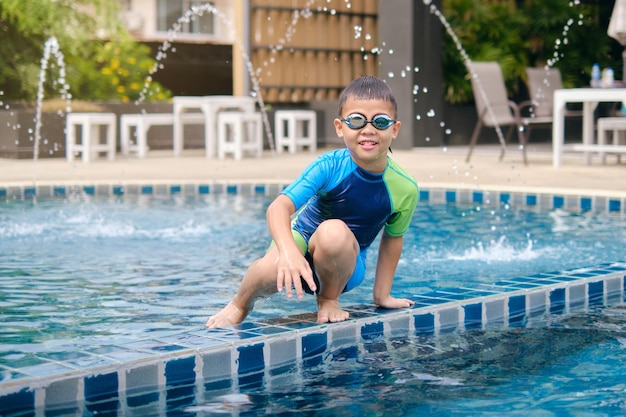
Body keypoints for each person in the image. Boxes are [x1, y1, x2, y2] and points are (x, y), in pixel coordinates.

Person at [206, 75, 419, 328]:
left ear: (394, 129)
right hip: (301, 238)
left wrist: (382, 295)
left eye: (381, 122)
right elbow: (279, 207)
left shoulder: (405, 188)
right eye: (357, 120)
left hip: (343, 263)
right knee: (269, 270)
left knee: (334, 232)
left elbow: (393, 239)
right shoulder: (328, 166)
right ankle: (239, 303)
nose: (368, 129)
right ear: (340, 127)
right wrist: (287, 253)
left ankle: (329, 298)